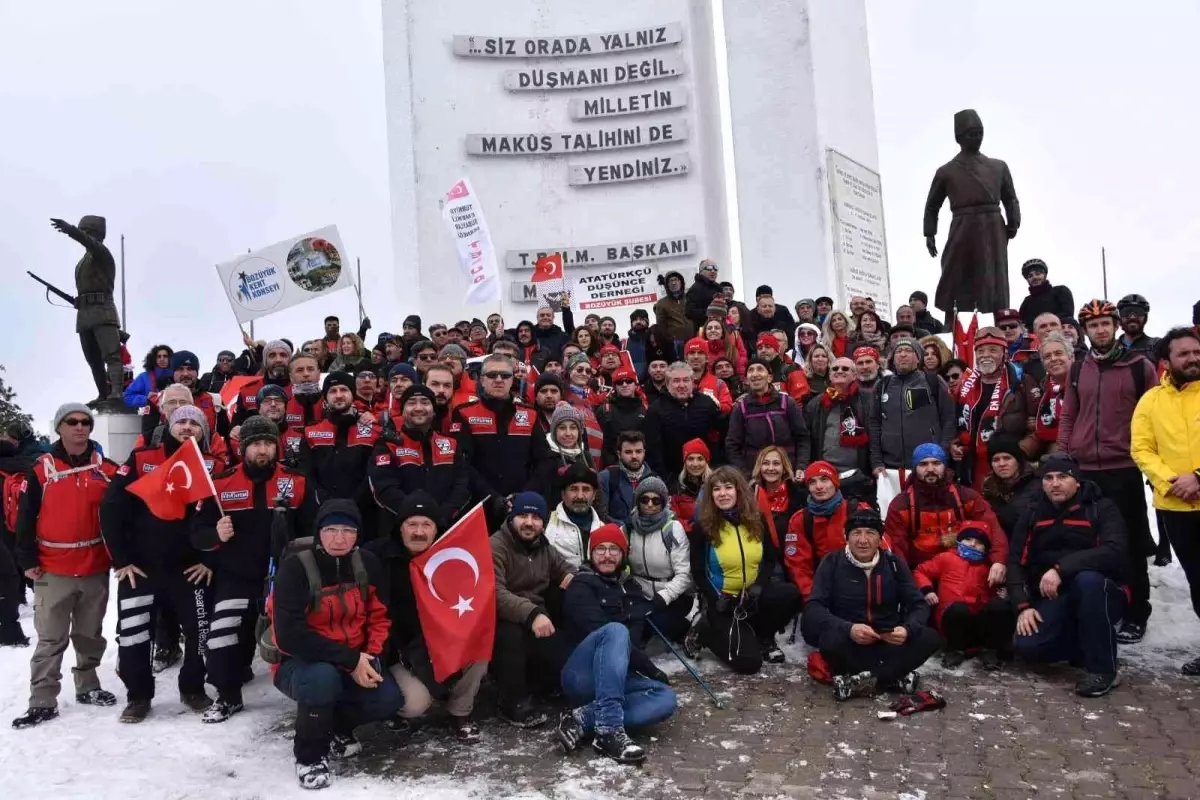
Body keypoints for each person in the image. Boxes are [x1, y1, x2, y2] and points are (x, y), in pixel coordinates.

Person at [100, 406, 224, 722]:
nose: (187, 427)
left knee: (200, 630)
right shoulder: (141, 458)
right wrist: (122, 560)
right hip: (141, 569)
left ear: (204, 431)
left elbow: (220, 518)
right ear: (169, 426)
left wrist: (210, 559)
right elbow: (111, 508)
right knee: (134, 634)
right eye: (180, 421)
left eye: (194, 423)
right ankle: (138, 696)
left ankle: (193, 688)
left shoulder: (214, 465)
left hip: (188, 569)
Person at [268, 499, 396, 789]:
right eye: (331, 530)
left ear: (358, 534)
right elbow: (290, 635)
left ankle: (336, 727)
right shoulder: (294, 569)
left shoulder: (368, 564)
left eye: (348, 530)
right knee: (322, 679)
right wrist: (349, 660)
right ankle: (310, 756)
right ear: (319, 533)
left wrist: (372, 657)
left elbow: (381, 617)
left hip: (353, 656)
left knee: (388, 698)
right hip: (298, 662)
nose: (340, 538)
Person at [191, 415, 311, 723]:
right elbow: (197, 533)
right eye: (256, 444)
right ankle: (228, 696)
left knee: (298, 636)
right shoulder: (220, 484)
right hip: (236, 578)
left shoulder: (296, 481)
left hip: (285, 577)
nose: (262, 450)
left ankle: (309, 697)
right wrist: (215, 535)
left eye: (269, 444)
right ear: (243, 448)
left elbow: (314, 529)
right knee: (220, 639)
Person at [11, 403, 120, 728]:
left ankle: (87, 685)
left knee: (89, 634)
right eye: (72, 421)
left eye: (85, 421)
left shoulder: (106, 469)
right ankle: (42, 700)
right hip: (52, 568)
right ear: (59, 427)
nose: (80, 426)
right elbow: (25, 520)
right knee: (50, 638)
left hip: (94, 566)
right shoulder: (41, 470)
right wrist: (27, 561)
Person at [1057, 299, 1158, 643]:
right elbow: (1069, 414)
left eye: (1105, 324)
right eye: (1093, 325)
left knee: (1128, 541)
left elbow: (1153, 416)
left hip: (1124, 467)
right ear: (1085, 331)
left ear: (1115, 326)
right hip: (1085, 468)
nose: (1099, 330)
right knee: (1086, 540)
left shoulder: (1138, 366)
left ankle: (1136, 612)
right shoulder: (1077, 368)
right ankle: (1100, 605)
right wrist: (1064, 454)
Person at [368, 492, 485, 743]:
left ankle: (459, 712)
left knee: (481, 647)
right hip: (392, 649)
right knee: (415, 705)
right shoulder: (376, 557)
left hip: (437, 642)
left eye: (426, 525)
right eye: (412, 524)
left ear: (436, 529)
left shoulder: (450, 558)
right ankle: (391, 704)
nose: (419, 532)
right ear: (400, 527)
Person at [1008, 454, 1128, 697]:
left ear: (1077, 481)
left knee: (1088, 582)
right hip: (1055, 596)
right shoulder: (1033, 513)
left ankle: (1104, 669)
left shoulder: (1101, 508)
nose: (1055, 483)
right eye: (1048, 478)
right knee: (1028, 647)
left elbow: (1114, 551)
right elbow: (1015, 562)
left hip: (1103, 590)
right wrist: (1023, 605)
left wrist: (1061, 569)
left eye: (1063, 477)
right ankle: (1085, 645)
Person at [556, 524, 677, 764]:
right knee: (615, 630)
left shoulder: (631, 588)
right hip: (582, 674)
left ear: (623, 555)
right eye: (600, 549)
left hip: (618, 679)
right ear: (591, 554)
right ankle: (608, 729)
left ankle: (583, 719)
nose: (607, 555)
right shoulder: (581, 585)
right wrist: (649, 667)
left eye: (614, 549)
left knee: (665, 697)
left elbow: (635, 637)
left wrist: (652, 673)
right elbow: (603, 633)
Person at [800, 504, 939, 700]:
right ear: (846, 537)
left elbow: (918, 604)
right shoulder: (832, 562)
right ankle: (890, 678)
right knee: (830, 640)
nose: (863, 540)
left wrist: (906, 629)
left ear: (880, 538)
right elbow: (814, 607)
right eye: (856, 533)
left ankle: (865, 680)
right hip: (850, 640)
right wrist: (849, 628)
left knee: (929, 637)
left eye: (870, 533)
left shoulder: (894, 563)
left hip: (886, 639)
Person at [1131, 327, 1200, 673]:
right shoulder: (1151, 401)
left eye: (1195, 351)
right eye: (1183, 354)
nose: (1192, 358)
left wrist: (1198, 478)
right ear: (1166, 362)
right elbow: (1141, 447)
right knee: (1198, 580)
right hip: (1177, 506)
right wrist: (1169, 481)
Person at [689, 467, 802, 672]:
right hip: (722, 600)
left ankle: (764, 637)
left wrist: (758, 587)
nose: (722, 494)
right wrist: (716, 599)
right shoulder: (703, 527)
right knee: (749, 664)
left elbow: (769, 559)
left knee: (790, 594)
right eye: (716, 489)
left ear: (739, 490)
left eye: (728, 487)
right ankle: (704, 630)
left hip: (751, 597)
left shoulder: (756, 521)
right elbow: (697, 572)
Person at [490, 492, 575, 727]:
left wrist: (573, 577)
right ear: (512, 517)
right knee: (511, 635)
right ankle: (511, 701)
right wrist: (532, 613)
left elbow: (565, 568)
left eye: (536, 517)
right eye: (523, 515)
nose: (529, 522)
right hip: (502, 619)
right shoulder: (496, 545)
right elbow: (494, 592)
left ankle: (543, 686)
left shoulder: (544, 547)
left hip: (537, 617)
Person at [453, 354, 547, 527]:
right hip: (479, 508)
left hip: (522, 510)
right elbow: (462, 464)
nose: (498, 380)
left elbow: (544, 461)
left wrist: (524, 495)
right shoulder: (464, 413)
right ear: (481, 380)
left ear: (512, 380)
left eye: (505, 375)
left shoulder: (530, 414)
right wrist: (493, 498)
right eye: (491, 375)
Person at [884, 443, 1006, 571]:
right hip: (920, 570)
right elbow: (897, 548)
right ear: (915, 468)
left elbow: (992, 528)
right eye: (923, 464)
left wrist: (998, 561)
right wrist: (906, 581)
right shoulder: (901, 504)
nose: (930, 469)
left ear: (945, 466)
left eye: (936, 463)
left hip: (966, 566)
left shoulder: (966, 496)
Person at [370, 384, 470, 531]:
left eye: (425, 402)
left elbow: (462, 485)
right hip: (400, 529)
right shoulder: (387, 445)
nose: (418, 408)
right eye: (411, 403)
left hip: (445, 528)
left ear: (434, 410)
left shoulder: (451, 444)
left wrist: (441, 517)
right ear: (402, 411)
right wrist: (417, 519)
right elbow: (383, 488)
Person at [915, 521, 1014, 669]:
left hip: (980, 619)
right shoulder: (946, 558)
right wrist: (927, 590)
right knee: (958, 610)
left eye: (979, 542)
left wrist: (1005, 592)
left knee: (998, 607)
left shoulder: (989, 567)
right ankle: (955, 650)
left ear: (986, 548)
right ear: (959, 540)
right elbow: (921, 571)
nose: (972, 544)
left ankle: (990, 649)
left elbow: (999, 588)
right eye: (968, 540)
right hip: (952, 619)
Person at [50, 216, 125, 408]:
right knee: (93, 359)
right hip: (85, 314)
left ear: (93, 234)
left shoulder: (101, 253)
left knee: (111, 355)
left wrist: (70, 230)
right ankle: (103, 394)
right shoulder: (84, 261)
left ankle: (117, 392)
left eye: (85, 231)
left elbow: (89, 243)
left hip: (103, 311)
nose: (83, 235)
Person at [950, 326, 1035, 491]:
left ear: (1004, 353)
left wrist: (1020, 452)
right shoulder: (964, 385)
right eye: (980, 351)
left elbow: (1038, 425)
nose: (986, 355)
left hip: (1007, 467)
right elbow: (953, 421)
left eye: (993, 350)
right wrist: (953, 444)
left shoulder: (1021, 382)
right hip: (971, 467)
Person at [619, 476, 693, 642]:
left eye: (656, 500)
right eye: (644, 499)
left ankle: (686, 629)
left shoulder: (672, 528)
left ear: (663, 502)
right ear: (638, 501)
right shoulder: (629, 527)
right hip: (639, 591)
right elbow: (619, 563)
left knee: (659, 622)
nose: (650, 504)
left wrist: (665, 596)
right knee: (634, 629)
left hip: (671, 594)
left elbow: (684, 574)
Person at [868, 338, 956, 476]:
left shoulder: (932, 381)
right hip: (891, 468)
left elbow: (949, 419)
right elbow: (874, 425)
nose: (903, 354)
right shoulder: (882, 385)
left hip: (928, 464)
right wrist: (876, 461)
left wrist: (942, 455)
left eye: (908, 350)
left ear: (918, 357)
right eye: (899, 351)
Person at [297, 373, 380, 511]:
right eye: (333, 391)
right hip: (322, 508)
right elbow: (306, 473)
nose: (339, 395)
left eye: (344, 390)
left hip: (363, 510)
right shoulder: (311, 432)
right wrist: (322, 499)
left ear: (353, 394)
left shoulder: (373, 432)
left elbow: (373, 474)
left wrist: (355, 501)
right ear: (325, 397)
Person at [784, 462, 861, 603]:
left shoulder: (858, 511)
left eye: (824, 479)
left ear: (835, 482)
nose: (819, 486)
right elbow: (798, 567)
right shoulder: (800, 520)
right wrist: (813, 599)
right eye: (812, 482)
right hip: (820, 590)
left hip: (858, 588)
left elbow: (880, 553)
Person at [804, 357, 874, 502]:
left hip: (859, 474)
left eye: (845, 368)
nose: (839, 371)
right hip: (825, 476)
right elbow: (807, 439)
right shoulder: (817, 403)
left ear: (855, 375)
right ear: (830, 375)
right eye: (835, 369)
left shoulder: (868, 399)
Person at [644, 363, 723, 489]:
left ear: (692, 382)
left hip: (707, 476)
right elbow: (654, 449)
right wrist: (667, 480)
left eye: (686, 380)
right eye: (676, 381)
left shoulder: (707, 403)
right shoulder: (656, 409)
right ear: (667, 384)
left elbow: (721, 436)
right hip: (671, 478)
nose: (682, 385)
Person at [725, 359, 809, 476]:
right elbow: (732, 445)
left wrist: (801, 466)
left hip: (787, 469)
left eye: (760, 369)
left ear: (769, 378)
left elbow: (802, 438)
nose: (755, 374)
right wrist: (745, 473)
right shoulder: (741, 408)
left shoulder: (787, 403)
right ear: (746, 380)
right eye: (751, 370)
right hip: (754, 473)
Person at [545, 462, 606, 568]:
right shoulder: (546, 523)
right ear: (563, 494)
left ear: (594, 495)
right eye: (574, 489)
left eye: (586, 489)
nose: (580, 496)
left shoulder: (604, 528)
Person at [980, 435, 1041, 540]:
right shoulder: (988, 490)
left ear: (1018, 461)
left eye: (1007, 458)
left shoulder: (1037, 486)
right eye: (996, 460)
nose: (1002, 464)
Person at [1030, 332, 1074, 461]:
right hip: (1048, 451)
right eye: (1047, 356)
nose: (1053, 359)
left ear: (1071, 356)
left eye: (1058, 353)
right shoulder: (1042, 386)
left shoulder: (1085, 382)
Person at [597, 431, 655, 525]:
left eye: (638, 451)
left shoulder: (654, 480)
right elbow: (601, 515)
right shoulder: (606, 477)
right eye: (628, 452)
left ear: (644, 452)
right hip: (616, 534)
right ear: (619, 454)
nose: (634, 456)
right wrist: (626, 528)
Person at [596, 368, 646, 466]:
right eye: (619, 382)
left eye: (628, 381)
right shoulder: (604, 410)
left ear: (635, 384)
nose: (624, 385)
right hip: (611, 467)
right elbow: (601, 445)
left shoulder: (646, 410)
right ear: (614, 387)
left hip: (641, 465)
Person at [1017, 259, 1075, 331]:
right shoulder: (1027, 302)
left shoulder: (1061, 291)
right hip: (1036, 339)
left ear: (1045, 275)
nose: (1034, 277)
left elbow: (1067, 315)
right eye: (1030, 276)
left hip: (1061, 336)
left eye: (1038, 274)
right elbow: (1022, 325)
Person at [755, 333, 811, 403]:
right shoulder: (754, 374)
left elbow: (801, 400)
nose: (763, 350)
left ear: (776, 350)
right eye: (760, 348)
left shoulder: (792, 369)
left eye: (768, 347)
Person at [670, 439, 710, 535]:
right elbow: (674, 519)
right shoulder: (676, 488)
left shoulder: (715, 485)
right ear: (685, 462)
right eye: (690, 459)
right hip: (686, 537)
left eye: (700, 459)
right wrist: (691, 528)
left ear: (706, 462)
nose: (695, 464)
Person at [683, 338, 733, 414]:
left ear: (707, 358)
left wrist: (715, 404)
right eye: (692, 353)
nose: (696, 356)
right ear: (686, 358)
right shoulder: (677, 382)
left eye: (700, 353)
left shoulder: (719, 383)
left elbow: (728, 407)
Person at [994, 308, 1043, 382]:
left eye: (1012, 326)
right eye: (1003, 327)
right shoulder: (992, 348)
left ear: (1021, 327)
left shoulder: (1037, 343)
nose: (1008, 330)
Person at [124, 344, 174, 409]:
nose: (162, 359)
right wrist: (146, 399)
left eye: (165, 356)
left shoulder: (177, 376)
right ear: (153, 359)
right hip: (152, 415)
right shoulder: (143, 377)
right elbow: (127, 397)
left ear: (170, 358)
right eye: (158, 356)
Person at [684, 259, 722, 333]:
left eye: (715, 269)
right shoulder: (695, 289)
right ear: (701, 271)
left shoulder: (719, 288)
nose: (713, 271)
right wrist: (710, 313)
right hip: (702, 330)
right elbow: (689, 312)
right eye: (709, 268)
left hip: (719, 329)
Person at [1117, 294, 1158, 360]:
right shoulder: (1110, 349)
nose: (1132, 317)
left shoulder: (1157, 346)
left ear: (1145, 318)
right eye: (1126, 312)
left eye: (1138, 312)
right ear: (1120, 318)